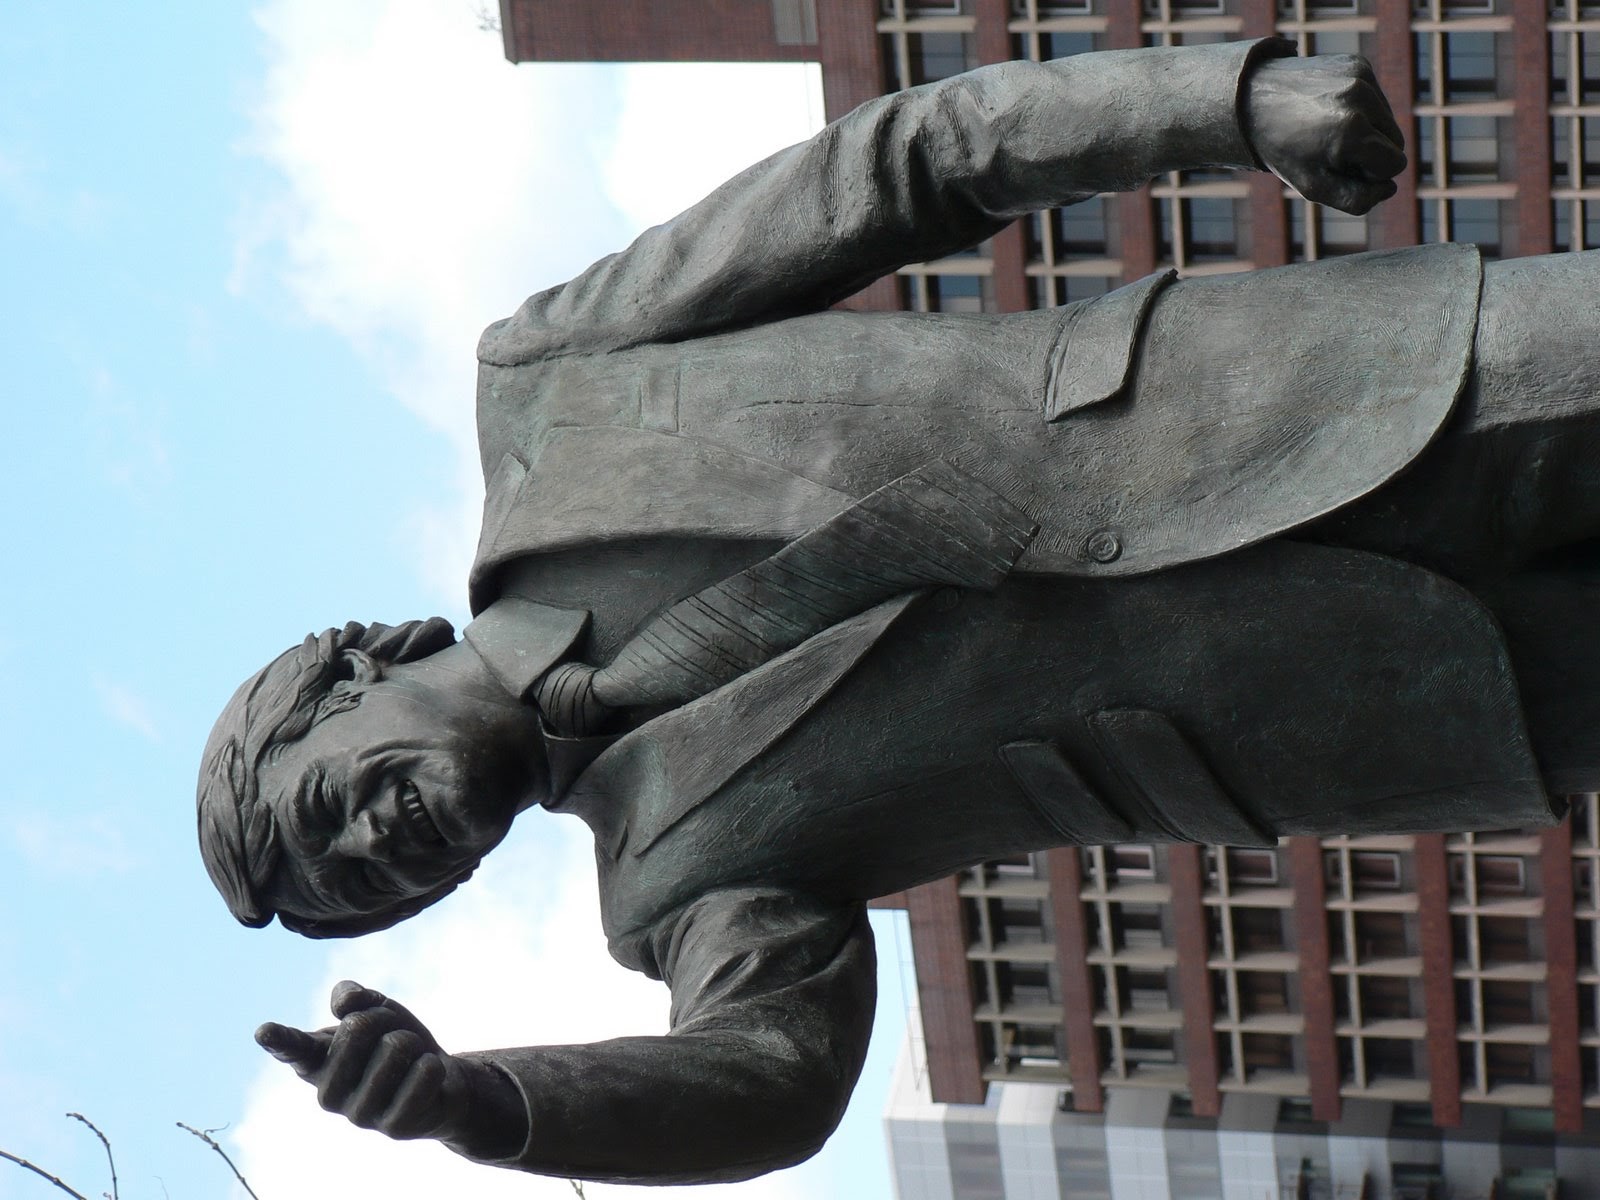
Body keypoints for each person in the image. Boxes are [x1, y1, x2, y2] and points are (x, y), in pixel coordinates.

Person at [198, 36, 1598, 1183]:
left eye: (335, 812)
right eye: (373, 888)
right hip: (1379, 701)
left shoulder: (548, 392)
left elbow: (900, 166)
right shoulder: (680, 893)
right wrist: (477, 1108)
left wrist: (1225, 99)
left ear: (353, 672)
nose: (384, 849)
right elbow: (770, 1083)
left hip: (1345, 388)